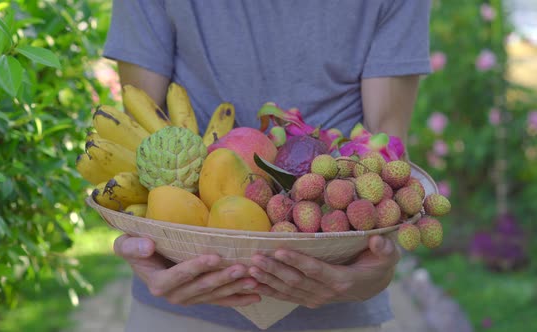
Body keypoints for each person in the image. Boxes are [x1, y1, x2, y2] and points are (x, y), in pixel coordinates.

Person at [103, 1, 432, 331]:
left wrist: (376, 265)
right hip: (183, 295)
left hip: (336, 298)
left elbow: (385, 144)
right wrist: (144, 249)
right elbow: (143, 127)